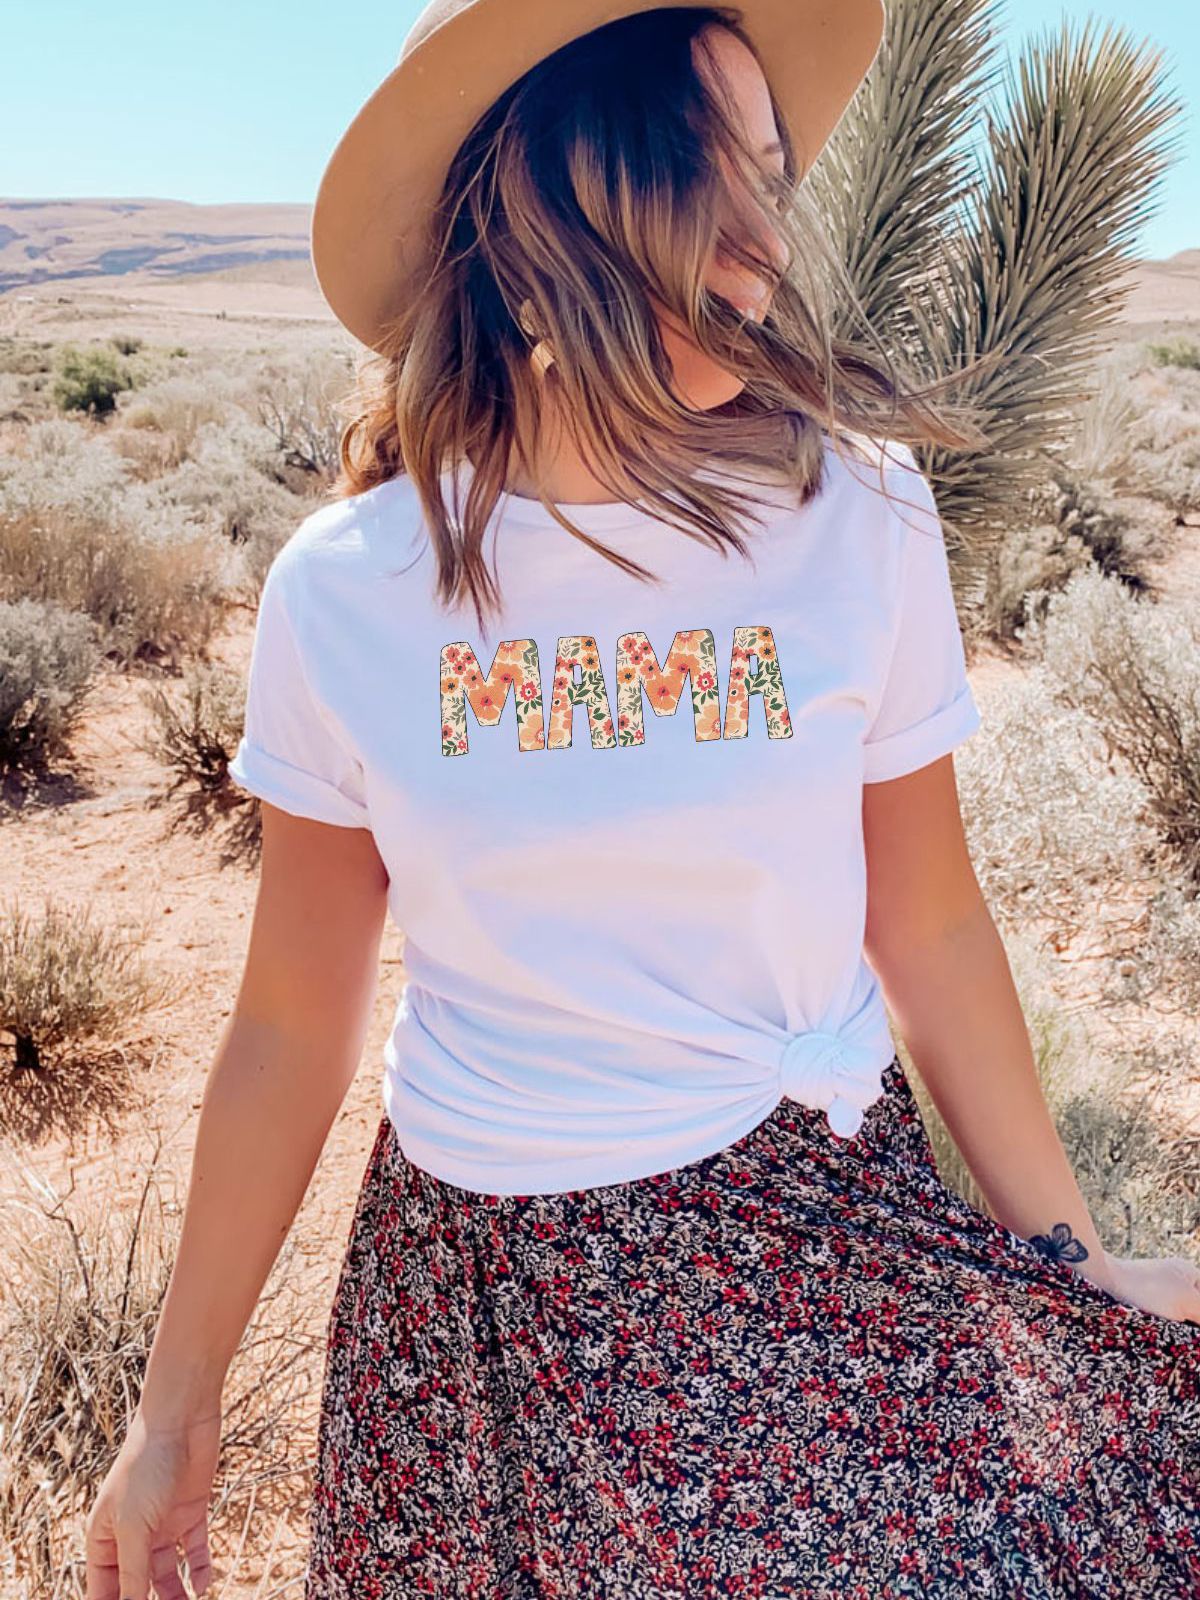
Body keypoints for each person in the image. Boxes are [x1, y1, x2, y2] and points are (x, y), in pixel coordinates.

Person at [85, 2, 1200, 1597]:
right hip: (483, 1307)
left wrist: (1069, 1276)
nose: (760, 248)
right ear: (538, 211)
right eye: (703, 179)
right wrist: (175, 1409)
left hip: (812, 1241)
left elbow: (932, 923)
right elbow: (288, 1019)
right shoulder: (354, 588)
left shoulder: (855, 514)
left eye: (772, 178)